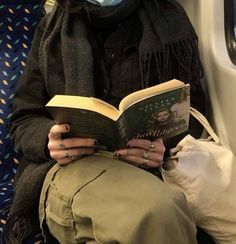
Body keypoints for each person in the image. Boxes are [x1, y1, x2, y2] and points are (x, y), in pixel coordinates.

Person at [4, 0, 207, 243]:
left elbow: (192, 113)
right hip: (69, 168)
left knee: (163, 210)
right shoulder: (53, 30)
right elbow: (23, 118)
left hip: (145, 169)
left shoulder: (169, 23)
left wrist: (163, 144)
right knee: (157, 211)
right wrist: (50, 139)